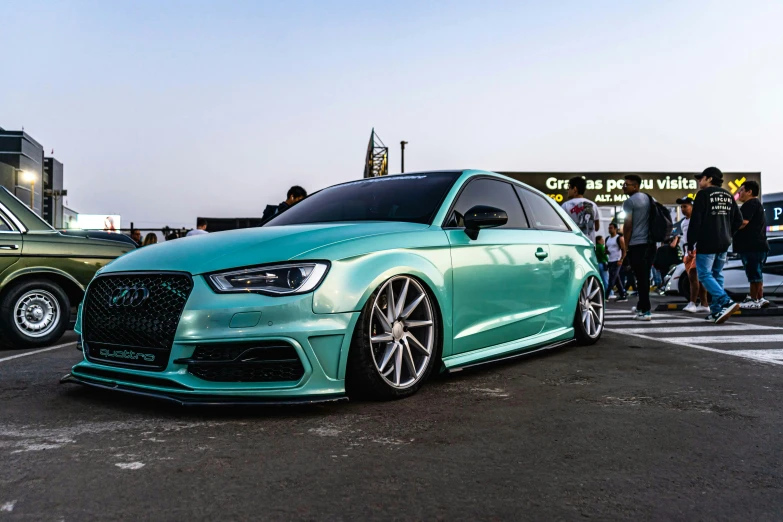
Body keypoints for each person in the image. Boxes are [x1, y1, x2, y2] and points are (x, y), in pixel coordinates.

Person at [687, 167, 743, 323]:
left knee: (704, 274)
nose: (699, 181)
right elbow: (738, 220)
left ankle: (726, 301)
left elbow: (696, 220)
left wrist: (690, 243)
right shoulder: (728, 195)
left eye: (701, 178)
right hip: (724, 242)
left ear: (710, 179)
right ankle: (717, 311)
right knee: (717, 274)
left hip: (707, 241)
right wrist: (728, 233)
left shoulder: (703, 195)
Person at [621, 174, 655, 320]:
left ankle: (646, 311)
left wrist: (626, 247)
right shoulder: (650, 199)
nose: (623, 187)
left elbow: (628, 226)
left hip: (637, 244)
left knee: (641, 278)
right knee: (644, 277)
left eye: (626, 184)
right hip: (651, 243)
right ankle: (641, 305)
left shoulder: (629, 202)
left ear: (636, 186)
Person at [734, 180, 770, 309]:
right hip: (759, 246)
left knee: (753, 274)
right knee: (757, 274)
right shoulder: (757, 204)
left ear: (749, 192)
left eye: (742, 190)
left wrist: (729, 228)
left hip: (751, 246)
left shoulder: (750, 203)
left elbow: (743, 222)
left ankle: (754, 300)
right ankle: (760, 299)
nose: (739, 193)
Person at [676, 196, 709, 314]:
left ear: (692, 207)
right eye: (681, 207)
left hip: (697, 250)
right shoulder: (684, 222)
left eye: (685, 206)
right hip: (687, 252)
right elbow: (684, 239)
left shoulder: (698, 219)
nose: (683, 209)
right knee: (696, 280)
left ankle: (692, 303)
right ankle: (704, 304)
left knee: (693, 277)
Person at [561, 177, 600, 244]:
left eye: (569, 188)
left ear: (575, 189)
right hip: (590, 245)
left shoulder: (566, 205)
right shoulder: (593, 205)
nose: (568, 191)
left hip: (573, 244)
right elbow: (597, 227)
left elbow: (561, 226)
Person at [606, 222, 628, 302]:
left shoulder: (619, 238)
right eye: (609, 228)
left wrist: (621, 259)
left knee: (612, 279)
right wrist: (606, 252)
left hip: (617, 261)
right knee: (617, 279)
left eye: (611, 228)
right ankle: (623, 295)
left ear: (615, 229)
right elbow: (607, 248)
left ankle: (606, 296)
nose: (609, 229)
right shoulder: (607, 238)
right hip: (610, 260)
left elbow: (624, 250)